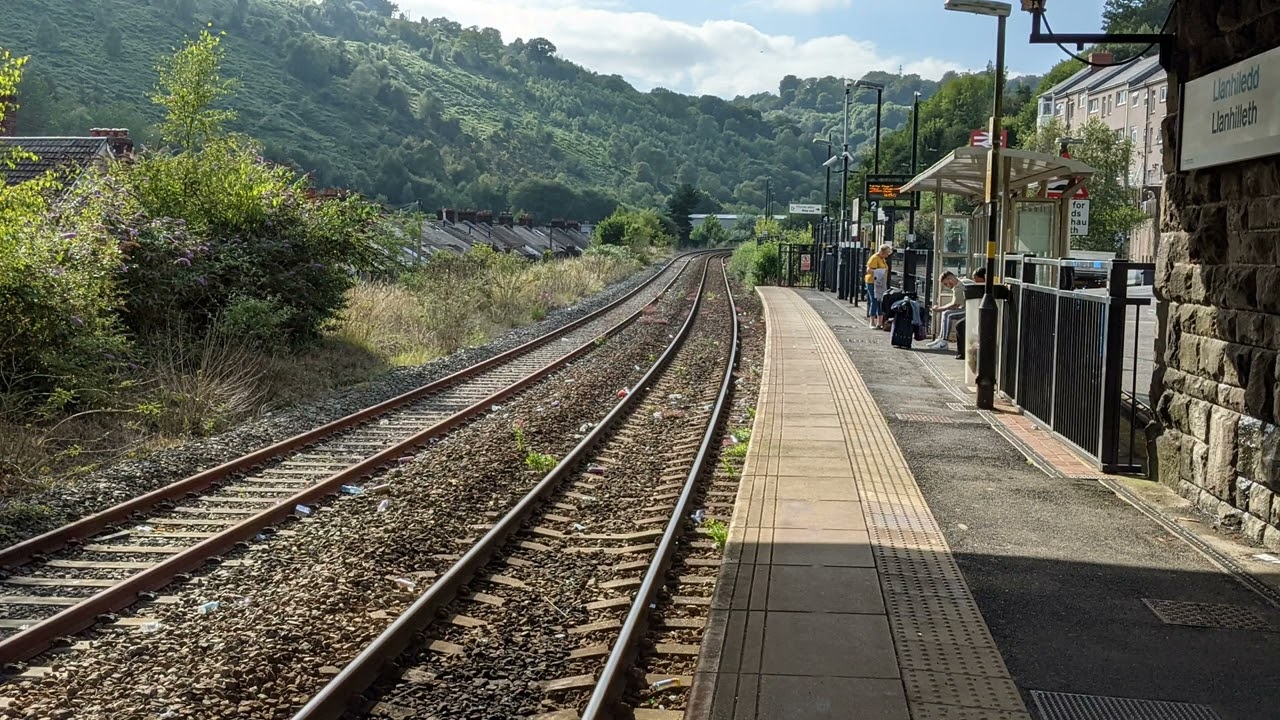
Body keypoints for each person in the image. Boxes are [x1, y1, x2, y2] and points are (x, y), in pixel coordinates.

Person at [925, 268, 984, 351]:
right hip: (973, 307)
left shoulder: (959, 287)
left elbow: (955, 305)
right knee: (946, 313)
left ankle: (943, 342)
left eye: (946, 284)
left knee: (947, 314)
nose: (947, 286)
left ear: (950, 280)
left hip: (972, 310)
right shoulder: (962, 281)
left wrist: (940, 308)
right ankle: (941, 338)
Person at [864, 244, 893, 329]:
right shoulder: (874, 258)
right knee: (874, 300)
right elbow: (868, 270)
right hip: (872, 282)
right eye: (887, 253)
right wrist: (878, 272)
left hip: (880, 283)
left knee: (880, 301)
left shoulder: (882, 259)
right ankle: (872, 322)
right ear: (882, 252)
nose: (887, 256)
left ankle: (879, 323)